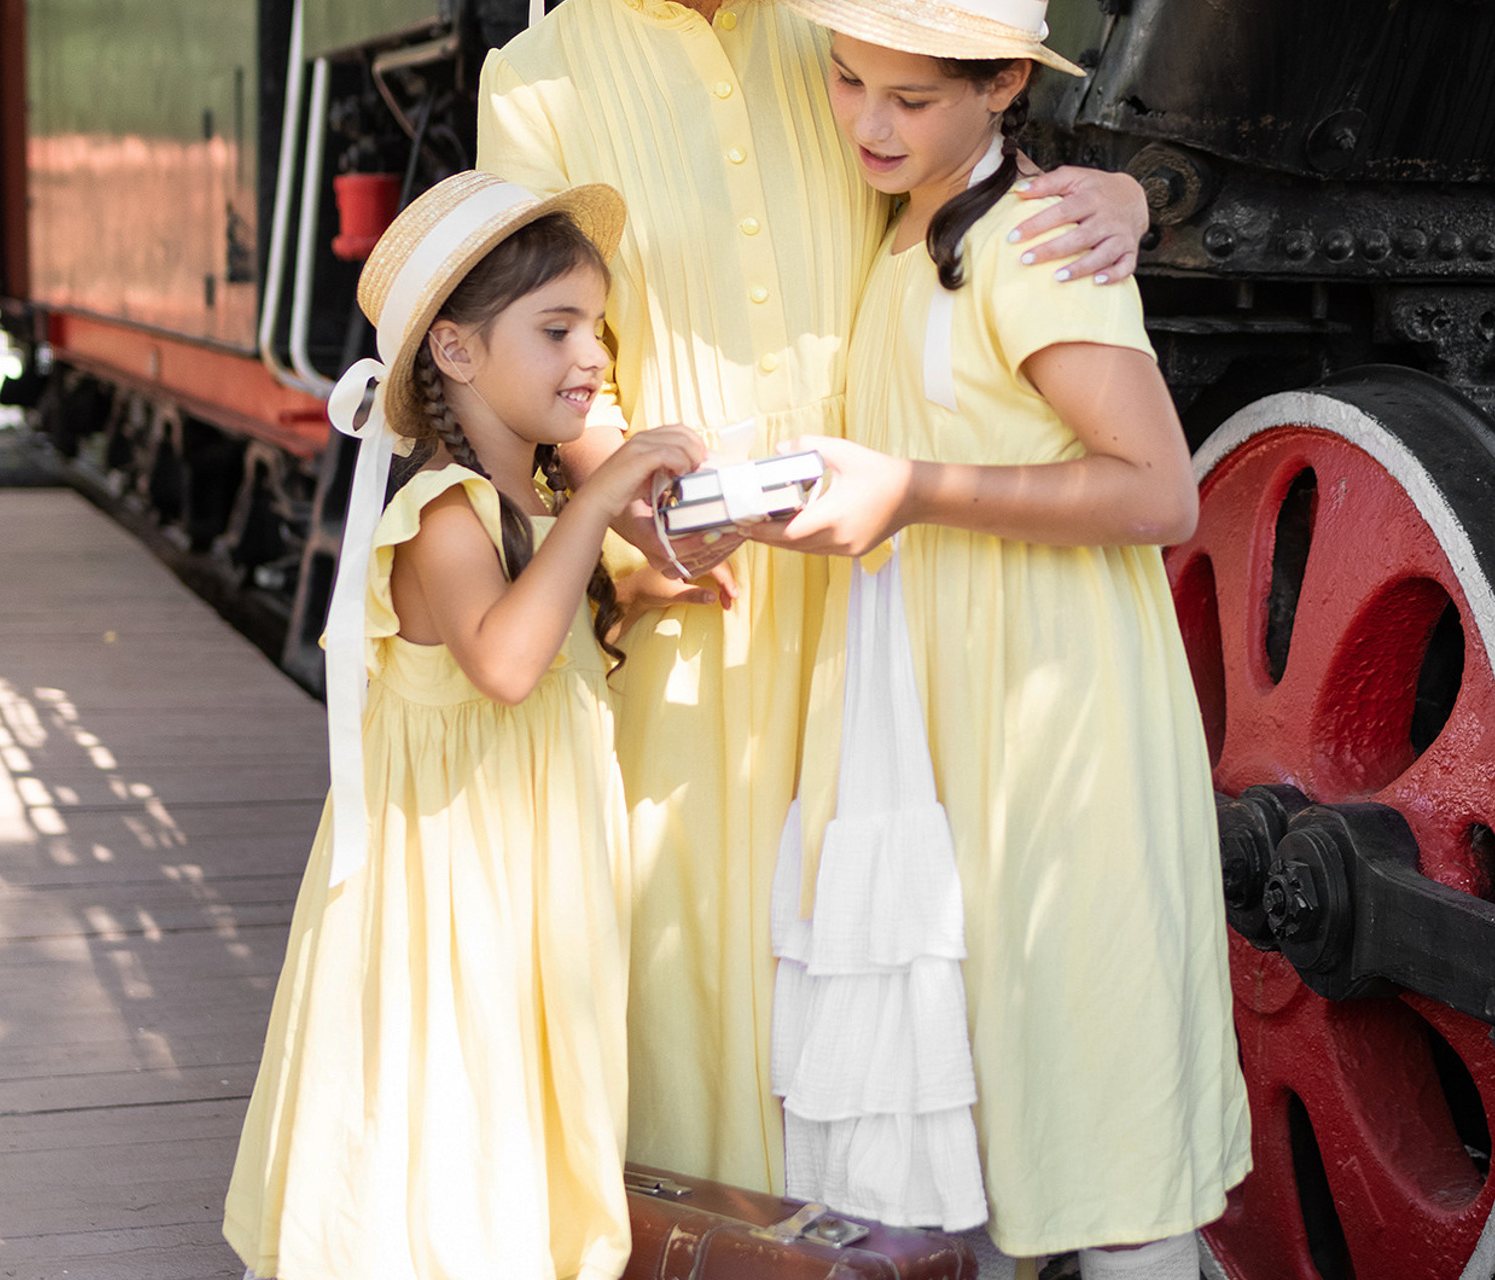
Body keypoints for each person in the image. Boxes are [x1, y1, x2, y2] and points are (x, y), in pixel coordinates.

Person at [476, 0, 1152, 1197]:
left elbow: (957, 162)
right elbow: (554, 357)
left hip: (888, 600)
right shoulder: (536, 77)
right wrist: (643, 526)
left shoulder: (837, 28)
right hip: (696, 582)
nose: (864, 107)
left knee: (901, 948)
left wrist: (1123, 196)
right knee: (686, 946)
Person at [747, 1, 1253, 1275]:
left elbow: (1160, 489)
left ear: (1005, 87)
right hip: (947, 709)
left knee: (1095, 1094)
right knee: (995, 1085)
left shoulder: (1028, 243)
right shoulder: (908, 214)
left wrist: (913, 487)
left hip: (1051, 712)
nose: (867, 121)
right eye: (847, 78)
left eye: (909, 99)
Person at [223, 171, 706, 1280]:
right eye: (557, 329)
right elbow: (499, 660)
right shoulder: (441, 505)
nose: (594, 356)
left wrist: (630, 592)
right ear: (454, 350)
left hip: (522, 884)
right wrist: (600, 501)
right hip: (453, 887)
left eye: (598, 327)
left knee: (508, 1098)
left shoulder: (522, 507)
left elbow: (538, 638)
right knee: (448, 1098)